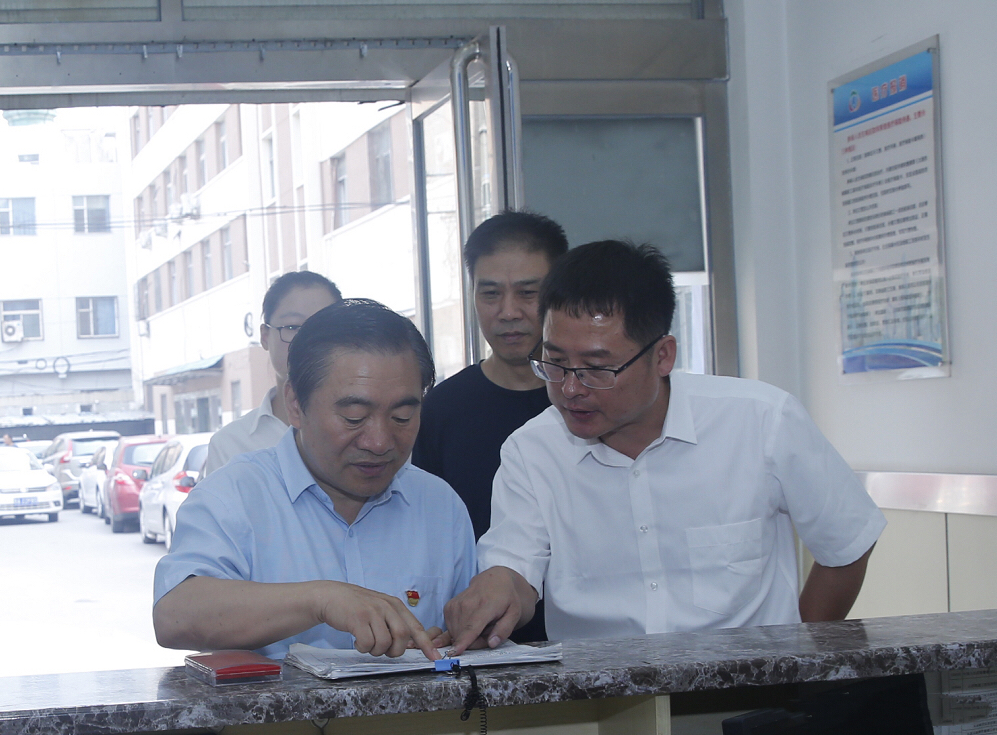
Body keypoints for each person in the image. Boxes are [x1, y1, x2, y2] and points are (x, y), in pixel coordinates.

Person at [444, 240, 887, 652]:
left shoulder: (761, 421)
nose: (570, 388)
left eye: (597, 368)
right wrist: (497, 589)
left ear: (662, 356)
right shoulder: (531, 451)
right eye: (555, 363)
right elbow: (516, 569)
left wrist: (798, 658)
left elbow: (846, 544)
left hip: (748, 690)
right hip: (602, 696)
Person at [154, 299, 476, 660]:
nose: (379, 442)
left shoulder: (439, 505)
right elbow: (174, 616)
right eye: (354, 417)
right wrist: (320, 600)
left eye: (402, 417)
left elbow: (465, 633)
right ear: (296, 404)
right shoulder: (233, 497)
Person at [412, 210, 567, 643]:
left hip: (587, 641)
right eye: (490, 293)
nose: (508, 312)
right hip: (482, 645)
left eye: (528, 293)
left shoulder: (589, 401)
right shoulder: (440, 410)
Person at [202, 270, 342, 476]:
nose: (308, 340)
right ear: (265, 336)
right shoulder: (230, 445)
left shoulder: (369, 434)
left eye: (324, 327)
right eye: (293, 327)